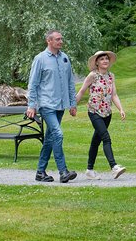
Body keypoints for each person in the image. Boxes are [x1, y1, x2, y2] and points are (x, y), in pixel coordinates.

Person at [27, 29, 78, 183]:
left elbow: (70, 82)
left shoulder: (65, 59)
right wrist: (31, 105)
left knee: (50, 139)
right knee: (58, 134)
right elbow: (33, 84)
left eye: (61, 39)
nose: (61, 41)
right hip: (46, 105)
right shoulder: (40, 59)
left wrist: (72, 103)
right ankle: (63, 172)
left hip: (60, 105)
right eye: (57, 39)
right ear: (48, 41)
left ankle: (40, 172)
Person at [75, 50, 127, 180]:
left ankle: (89, 170)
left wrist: (121, 109)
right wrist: (73, 106)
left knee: (96, 141)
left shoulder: (111, 76)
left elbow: (114, 95)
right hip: (94, 112)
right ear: (97, 62)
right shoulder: (92, 76)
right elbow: (82, 91)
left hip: (107, 113)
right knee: (106, 138)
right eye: (102, 59)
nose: (105, 61)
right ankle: (114, 167)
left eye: (107, 59)